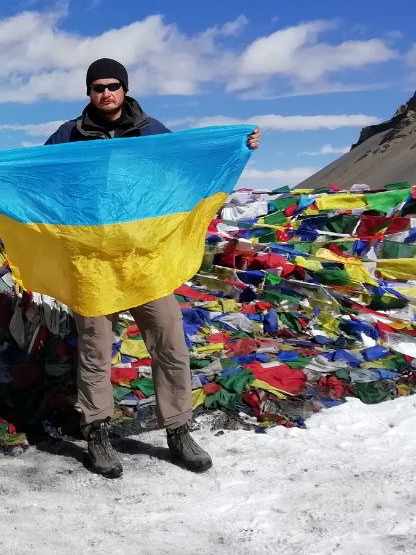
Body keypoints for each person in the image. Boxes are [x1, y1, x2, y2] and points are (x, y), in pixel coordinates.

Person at [45, 58, 260, 478]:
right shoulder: (67, 135)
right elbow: (41, 176)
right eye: (97, 87)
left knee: (170, 343)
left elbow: (187, 166)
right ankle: (98, 432)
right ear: (88, 92)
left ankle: (178, 429)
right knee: (94, 350)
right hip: (92, 260)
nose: (105, 93)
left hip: (145, 259)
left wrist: (236, 146)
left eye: (112, 86)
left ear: (124, 89)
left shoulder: (150, 131)